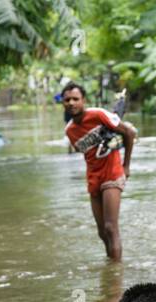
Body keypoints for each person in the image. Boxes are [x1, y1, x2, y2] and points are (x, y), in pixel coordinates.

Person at [62, 82, 136, 261]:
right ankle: (111, 265)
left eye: (76, 99)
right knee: (102, 232)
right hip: (93, 178)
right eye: (67, 100)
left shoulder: (99, 115)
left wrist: (126, 166)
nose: (72, 103)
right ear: (63, 103)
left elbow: (129, 133)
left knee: (111, 228)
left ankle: (116, 277)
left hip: (112, 172)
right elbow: (86, 153)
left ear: (83, 100)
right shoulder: (70, 131)